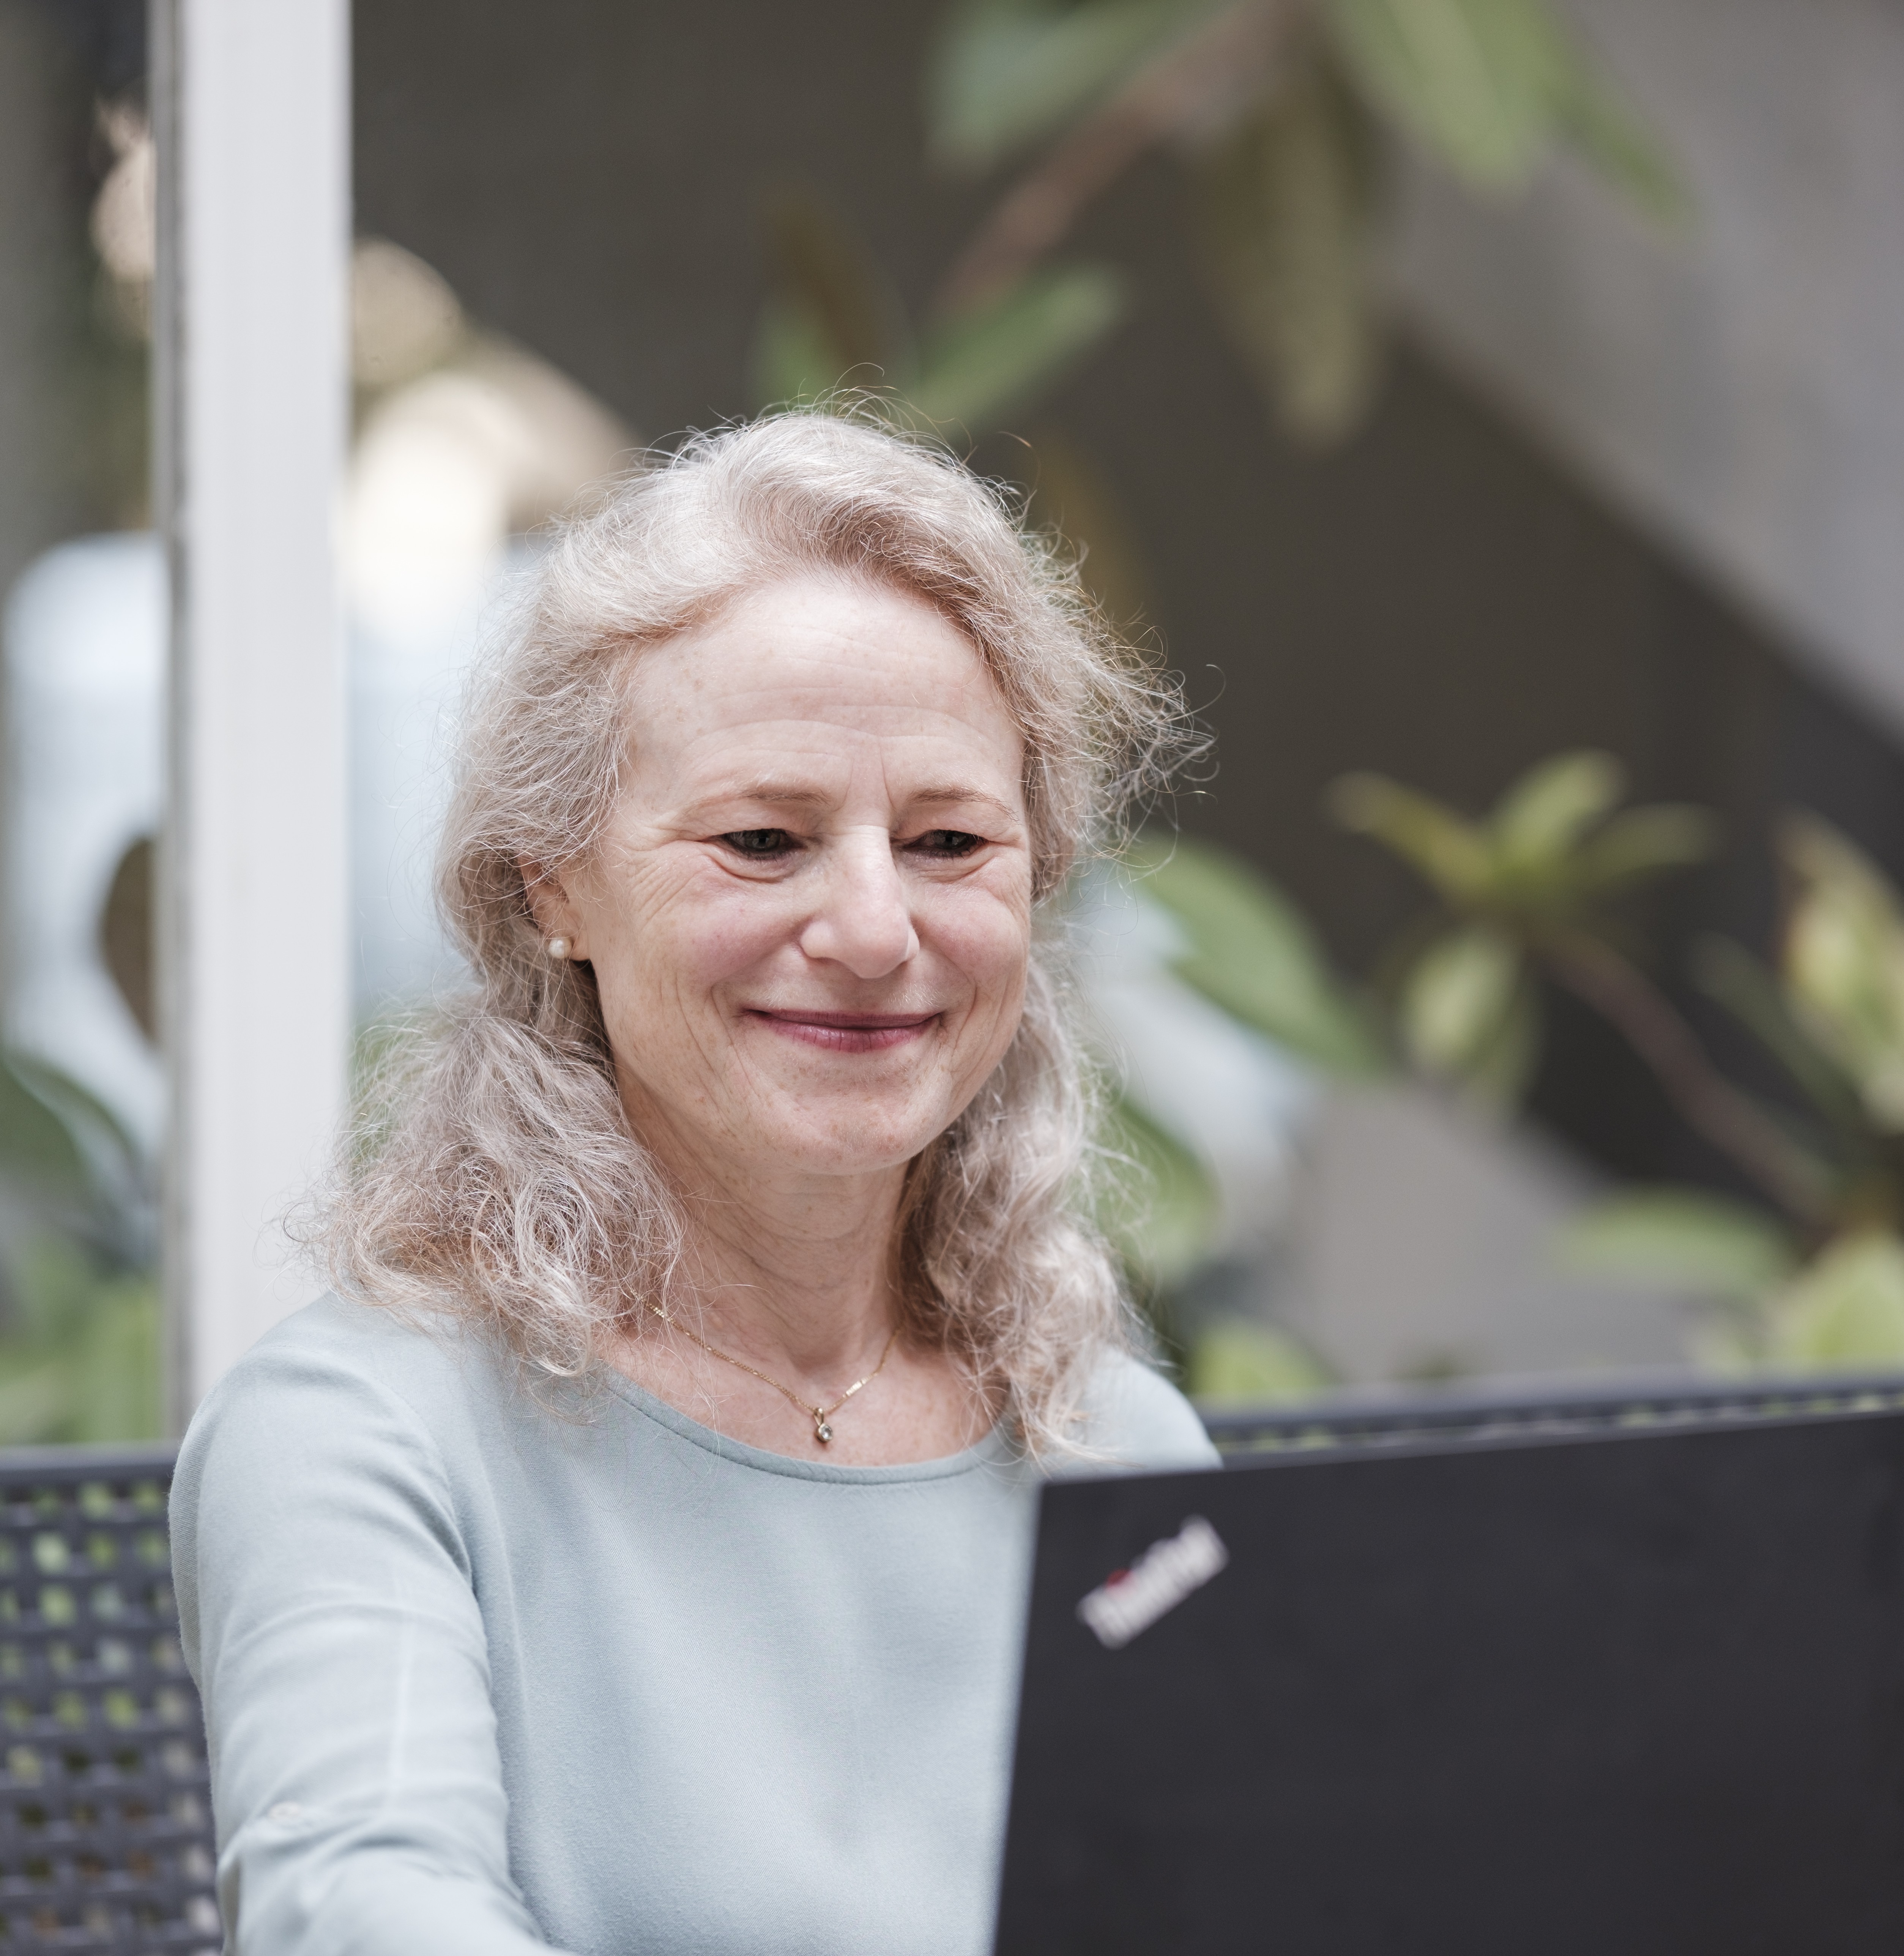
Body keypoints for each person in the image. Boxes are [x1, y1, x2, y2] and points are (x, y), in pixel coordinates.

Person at [170, 410, 1219, 1956]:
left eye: (945, 839)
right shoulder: (366, 1435)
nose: (873, 929)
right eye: (760, 838)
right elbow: (362, 1913)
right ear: (553, 885)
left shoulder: (1117, 1446)